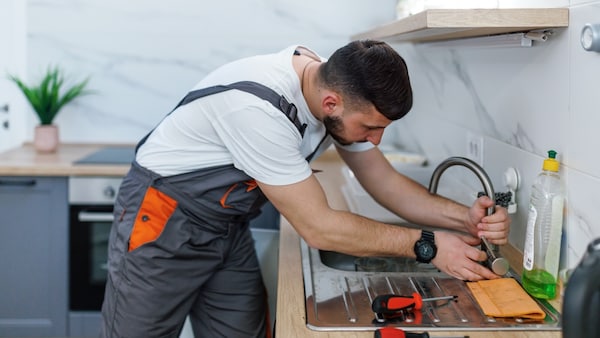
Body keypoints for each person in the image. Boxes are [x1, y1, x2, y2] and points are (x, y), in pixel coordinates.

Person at [100, 40, 510, 338]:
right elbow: (320, 228)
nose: (376, 140)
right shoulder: (258, 109)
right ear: (331, 104)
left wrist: (464, 218)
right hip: (165, 221)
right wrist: (429, 244)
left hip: (226, 227)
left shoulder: (330, 85)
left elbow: (383, 182)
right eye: (370, 128)